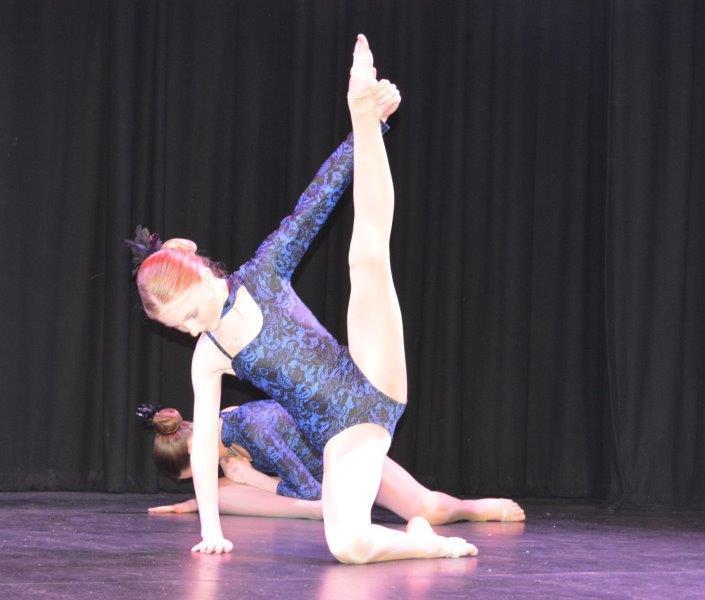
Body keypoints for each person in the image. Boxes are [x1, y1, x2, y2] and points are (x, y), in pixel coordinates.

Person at [128, 34, 476, 563]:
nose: (194, 328)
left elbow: (317, 200)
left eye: (191, 313)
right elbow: (202, 450)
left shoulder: (262, 274)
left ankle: (360, 110)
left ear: (202, 276)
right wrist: (212, 528)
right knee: (348, 546)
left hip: (370, 375)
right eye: (180, 327)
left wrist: (367, 127)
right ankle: (426, 544)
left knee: (367, 257)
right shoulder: (210, 355)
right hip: (343, 435)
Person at [143, 403, 526, 524]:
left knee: (427, 510)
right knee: (223, 495)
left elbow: (310, 490)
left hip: (347, 460)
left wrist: (252, 477)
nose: (205, 476)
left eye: (198, 473)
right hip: (324, 476)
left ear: (196, 450)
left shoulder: (253, 429)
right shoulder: (221, 430)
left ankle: (475, 508)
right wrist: (197, 502)